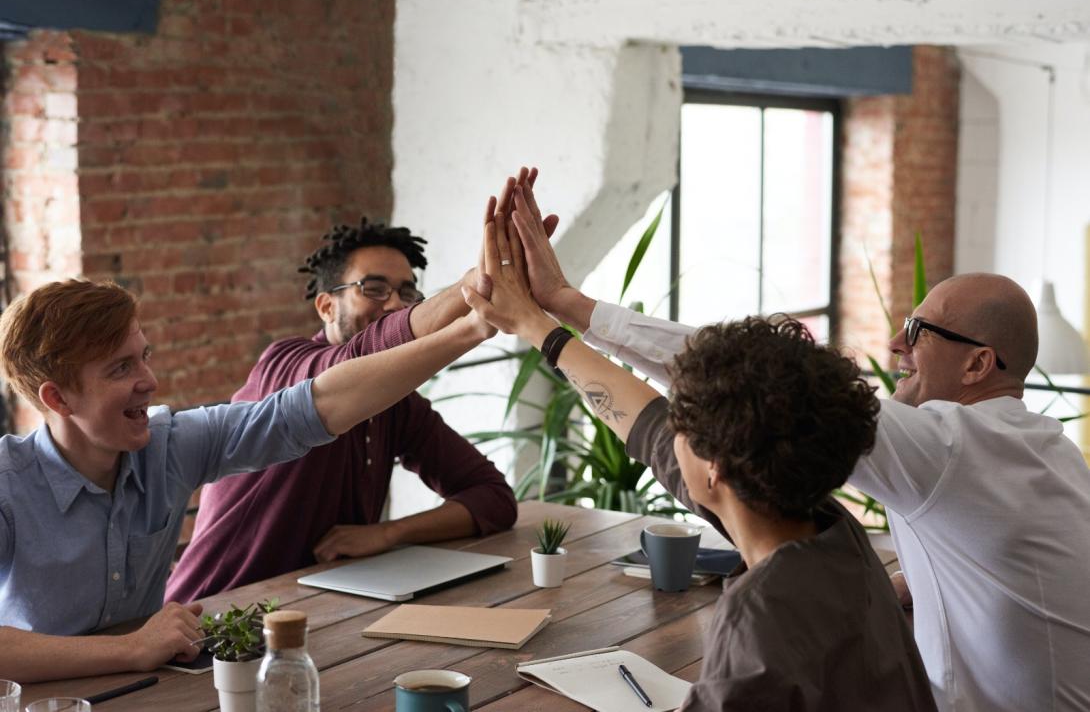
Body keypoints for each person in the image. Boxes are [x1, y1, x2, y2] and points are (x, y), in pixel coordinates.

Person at [504, 173, 1090, 711]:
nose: (894, 343)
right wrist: (902, 589)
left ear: (978, 365)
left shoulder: (948, 450)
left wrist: (566, 313)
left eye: (917, 330)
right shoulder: (1039, 450)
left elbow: (747, 381)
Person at [459, 190, 937, 710]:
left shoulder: (763, 613)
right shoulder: (831, 532)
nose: (669, 429)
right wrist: (537, 324)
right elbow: (647, 428)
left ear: (715, 469)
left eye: (681, 420)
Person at [0, 226, 495, 682]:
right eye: (120, 368)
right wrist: (130, 648)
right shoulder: (8, 483)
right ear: (58, 399)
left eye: (145, 356)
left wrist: (472, 329)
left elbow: (316, 406)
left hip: (152, 690)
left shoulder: (170, 445)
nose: (149, 381)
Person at [167, 172, 559, 601]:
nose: (394, 302)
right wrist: (474, 288)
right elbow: (360, 359)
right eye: (373, 288)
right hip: (214, 618)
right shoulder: (285, 365)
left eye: (408, 292)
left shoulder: (397, 405)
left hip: (324, 612)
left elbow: (494, 498)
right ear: (326, 305)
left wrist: (388, 533)